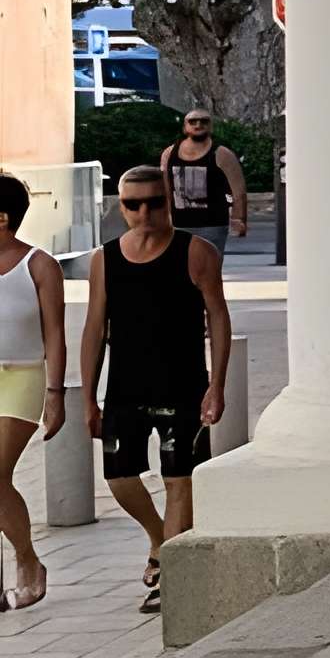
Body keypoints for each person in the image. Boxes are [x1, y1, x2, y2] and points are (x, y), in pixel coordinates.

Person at [80, 165, 230, 616]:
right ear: (120, 207)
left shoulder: (196, 252)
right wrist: (88, 398)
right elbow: (94, 329)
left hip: (183, 386)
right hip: (125, 387)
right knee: (119, 478)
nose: (144, 213)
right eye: (133, 204)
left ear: (170, 202)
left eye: (154, 203)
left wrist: (217, 385)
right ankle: (159, 538)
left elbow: (218, 318)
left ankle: (170, 576)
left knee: (179, 479)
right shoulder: (104, 259)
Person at [0, 174, 67, 611]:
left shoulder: (39, 265)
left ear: (2, 218)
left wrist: (55, 393)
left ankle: (27, 559)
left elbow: (55, 334)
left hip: (21, 377)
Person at [161, 111, 248, 252]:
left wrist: (239, 219)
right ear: (184, 127)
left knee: (210, 264)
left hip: (213, 226)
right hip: (179, 225)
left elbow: (239, 191)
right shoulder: (169, 154)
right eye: (193, 121)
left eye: (204, 121)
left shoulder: (222, 154)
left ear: (211, 126)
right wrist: (166, 219)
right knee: (180, 264)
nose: (198, 124)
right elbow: (166, 191)